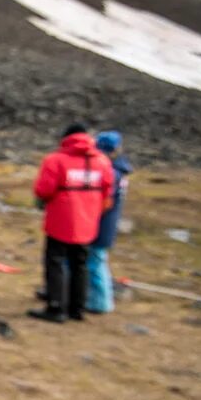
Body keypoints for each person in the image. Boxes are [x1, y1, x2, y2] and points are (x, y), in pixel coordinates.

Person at [28, 123, 116, 322]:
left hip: (61, 219)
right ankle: (77, 308)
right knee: (80, 264)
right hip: (88, 221)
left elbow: (44, 189)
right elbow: (107, 193)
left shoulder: (55, 160)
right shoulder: (102, 161)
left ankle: (56, 307)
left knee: (55, 262)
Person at [86, 130, 131, 313]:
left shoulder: (112, 173)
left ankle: (101, 303)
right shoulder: (120, 169)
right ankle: (96, 299)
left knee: (96, 263)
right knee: (96, 261)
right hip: (107, 224)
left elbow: (103, 201)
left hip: (101, 225)